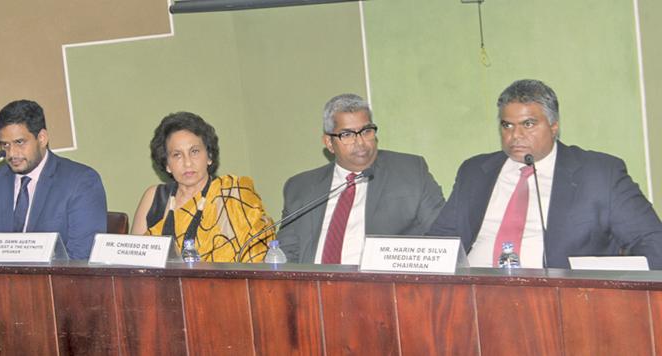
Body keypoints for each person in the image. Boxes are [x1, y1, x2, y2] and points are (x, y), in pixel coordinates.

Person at [429, 79, 662, 269]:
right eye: (507, 125)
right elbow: (441, 242)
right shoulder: (475, 171)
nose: (515, 135)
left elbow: (653, 241)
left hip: (560, 304)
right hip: (472, 298)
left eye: (528, 124)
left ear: (554, 126)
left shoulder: (600, 174)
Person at [277, 94, 445, 264]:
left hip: (384, 286)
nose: (361, 142)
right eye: (347, 135)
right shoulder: (300, 187)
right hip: (315, 288)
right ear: (329, 142)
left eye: (366, 131)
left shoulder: (410, 172)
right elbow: (286, 254)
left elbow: (443, 236)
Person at [0, 100, 107, 259]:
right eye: (5, 145)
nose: (11, 153)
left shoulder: (80, 182)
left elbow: (82, 258)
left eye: (19, 142)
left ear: (42, 138)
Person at [131, 112, 275, 262]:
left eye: (194, 152)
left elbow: (255, 259)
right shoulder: (154, 197)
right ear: (167, 164)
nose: (187, 163)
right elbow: (132, 261)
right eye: (177, 155)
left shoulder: (231, 196)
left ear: (209, 156)